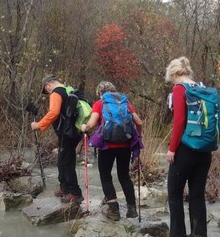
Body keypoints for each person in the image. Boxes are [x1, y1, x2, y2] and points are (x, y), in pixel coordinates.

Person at [163, 57, 212, 237]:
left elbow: (180, 122)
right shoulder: (202, 87)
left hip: (185, 149)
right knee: (197, 194)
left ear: (174, 74)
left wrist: (172, 148)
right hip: (204, 149)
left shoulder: (179, 89)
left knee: (174, 193)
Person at [81, 81, 143, 220]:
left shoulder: (100, 103)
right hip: (125, 145)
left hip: (107, 146)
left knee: (105, 175)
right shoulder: (124, 103)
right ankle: (131, 209)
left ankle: (113, 209)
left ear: (100, 93)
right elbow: (139, 122)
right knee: (124, 176)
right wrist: (138, 136)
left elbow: (91, 123)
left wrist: (85, 127)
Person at [31, 74, 83, 205]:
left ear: (48, 85)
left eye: (46, 89)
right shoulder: (69, 90)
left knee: (67, 161)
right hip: (75, 131)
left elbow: (53, 112)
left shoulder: (56, 93)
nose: (48, 92)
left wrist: (38, 125)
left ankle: (75, 193)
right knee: (63, 158)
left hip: (67, 133)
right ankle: (64, 187)